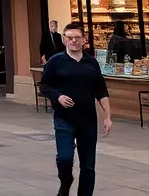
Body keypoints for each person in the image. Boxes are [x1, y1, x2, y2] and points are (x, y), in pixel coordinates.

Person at [39, 22, 112, 196]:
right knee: (65, 158)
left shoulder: (91, 62)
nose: (73, 41)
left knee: (88, 165)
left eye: (77, 38)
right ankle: (66, 181)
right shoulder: (55, 61)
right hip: (64, 119)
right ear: (64, 40)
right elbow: (44, 85)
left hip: (87, 120)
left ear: (84, 40)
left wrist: (107, 116)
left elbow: (101, 90)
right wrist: (58, 97)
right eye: (69, 38)